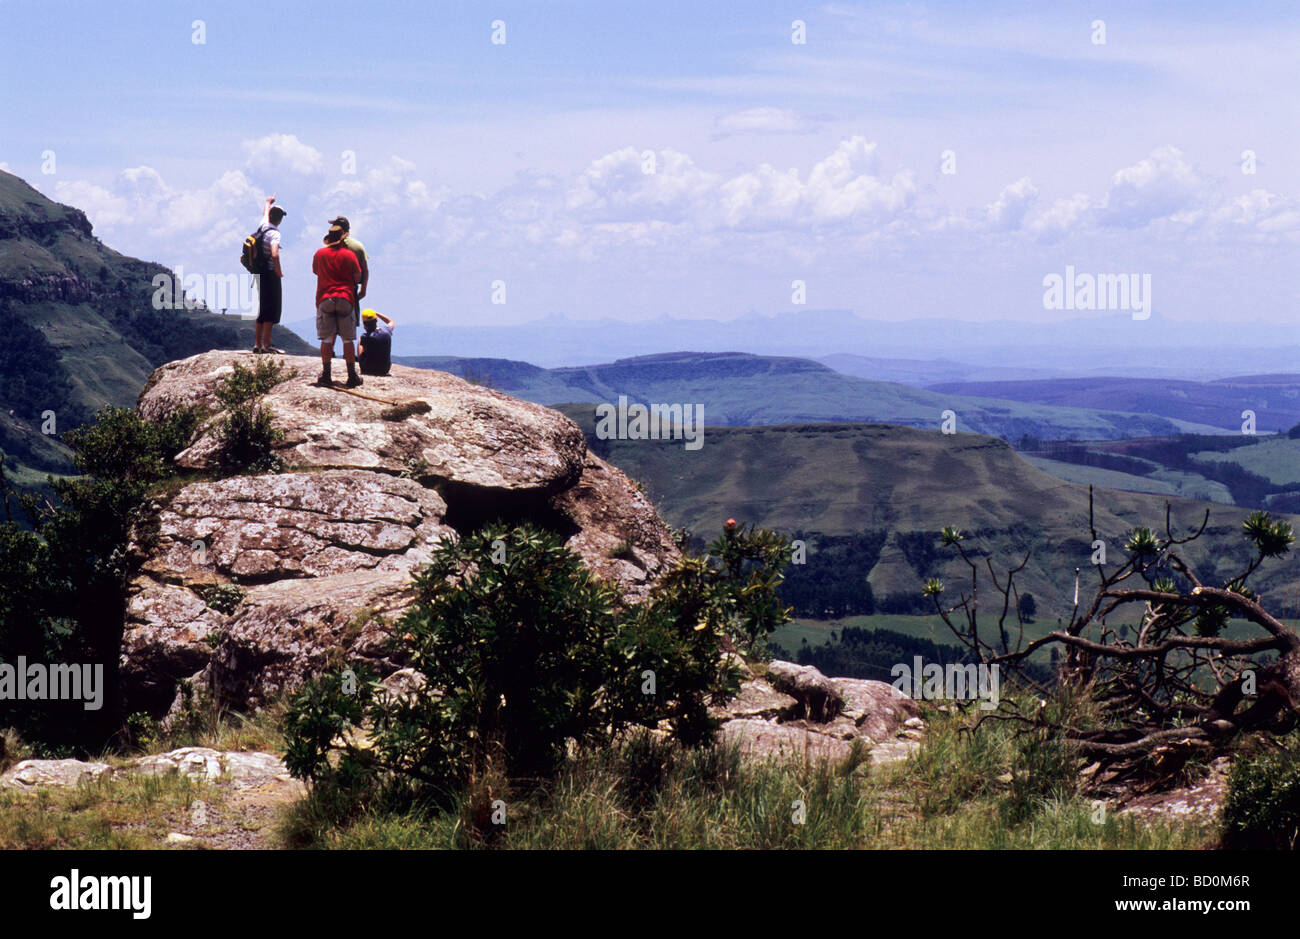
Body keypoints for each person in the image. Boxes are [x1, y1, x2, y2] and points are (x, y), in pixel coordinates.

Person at [312, 224, 363, 387]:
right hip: (345, 298)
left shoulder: (319, 254)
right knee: (348, 339)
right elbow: (357, 277)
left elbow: (315, 271)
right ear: (343, 239)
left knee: (327, 339)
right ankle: (352, 376)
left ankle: (326, 375)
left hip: (325, 298)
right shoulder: (349, 255)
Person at [254, 196, 287, 354]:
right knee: (271, 309)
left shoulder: (263, 226)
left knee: (262, 307)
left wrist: (268, 202)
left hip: (259, 272)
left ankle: (257, 344)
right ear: (280, 219)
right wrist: (278, 271)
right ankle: (267, 345)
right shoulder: (275, 234)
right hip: (270, 273)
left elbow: (265, 213)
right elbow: (275, 254)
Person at [327, 216, 369, 326]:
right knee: (349, 332)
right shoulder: (358, 246)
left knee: (331, 333)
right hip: (350, 291)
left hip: (330, 292)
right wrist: (363, 289)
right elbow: (365, 270)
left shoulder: (328, 247)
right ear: (348, 230)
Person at [357, 308, 395, 376]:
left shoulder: (365, 337)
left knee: (360, 340)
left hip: (368, 369)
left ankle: (361, 363)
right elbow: (390, 321)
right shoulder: (386, 331)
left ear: (364, 324)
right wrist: (376, 314)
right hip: (384, 369)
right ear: (376, 320)